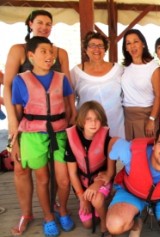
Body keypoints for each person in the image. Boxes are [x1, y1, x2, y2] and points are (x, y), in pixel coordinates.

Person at [3, 10, 75, 236]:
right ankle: (27, 213)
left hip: (57, 124)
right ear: (30, 24)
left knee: (57, 174)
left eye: (49, 24)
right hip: (27, 124)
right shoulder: (19, 50)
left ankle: (55, 208)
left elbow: (67, 91)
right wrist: (14, 126)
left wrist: (71, 117)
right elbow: (7, 87)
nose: (44, 26)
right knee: (22, 169)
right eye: (40, 22)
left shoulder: (59, 53)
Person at [65, 101, 116, 237]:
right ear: (82, 121)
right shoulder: (71, 141)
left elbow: (110, 173)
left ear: (102, 121)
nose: (93, 123)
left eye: (97, 119)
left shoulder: (107, 140)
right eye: (89, 119)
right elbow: (72, 173)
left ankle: (104, 221)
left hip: (102, 182)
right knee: (88, 224)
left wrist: (96, 185)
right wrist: (82, 198)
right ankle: (100, 208)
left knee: (96, 199)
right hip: (82, 186)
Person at [71, 31, 125, 138]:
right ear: (86, 49)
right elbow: (70, 98)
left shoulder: (118, 69)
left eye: (100, 46)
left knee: (114, 152)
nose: (97, 49)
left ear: (105, 50)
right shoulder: (76, 72)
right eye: (92, 46)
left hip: (115, 123)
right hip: (88, 126)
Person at [121, 29, 160, 140]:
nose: (132, 46)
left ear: (143, 44)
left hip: (146, 117)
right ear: (125, 48)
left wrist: (152, 119)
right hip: (127, 117)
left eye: (136, 42)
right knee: (131, 154)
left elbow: (159, 95)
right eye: (128, 43)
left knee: (145, 154)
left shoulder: (153, 67)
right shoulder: (125, 68)